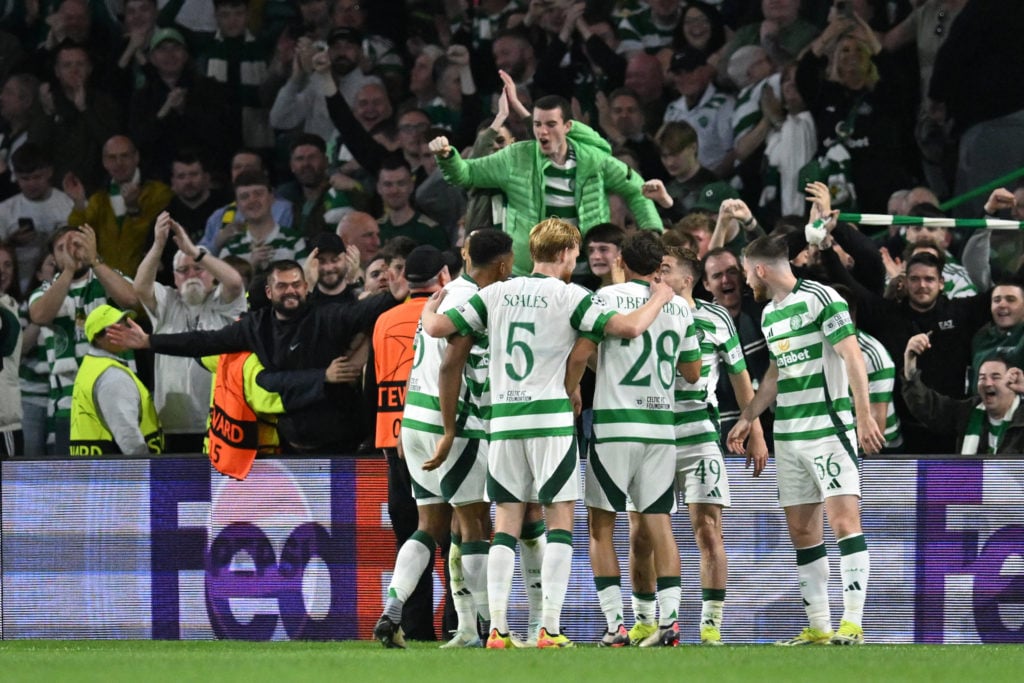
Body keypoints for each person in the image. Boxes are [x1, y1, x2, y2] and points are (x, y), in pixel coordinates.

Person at [419, 218, 675, 649]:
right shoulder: (571, 296)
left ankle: (497, 630)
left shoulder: (495, 294)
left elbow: (437, 330)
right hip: (551, 418)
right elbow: (630, 328)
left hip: (503, 421)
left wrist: (430, 307)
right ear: (566, 253)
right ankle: (548, 628)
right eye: (575, 253)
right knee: (559, 521)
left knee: (505, 524)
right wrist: (662, 297)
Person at [727, 234, 884, 646]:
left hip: (829, 431)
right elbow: (776, 374)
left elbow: (852, 354)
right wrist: (748, 417)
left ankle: (852, 622)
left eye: (746, 271)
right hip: (790, 437)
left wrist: (863, 415)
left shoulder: (821, 297)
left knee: (845, 522)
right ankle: (819, 626)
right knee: (802, 532)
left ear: (760, 268)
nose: (746, 281)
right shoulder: (769, 315)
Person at [106, 259, 410, 454]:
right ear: (269, 291)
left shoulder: (328, 317)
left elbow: (363, 312)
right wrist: (149, 341)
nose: (290, 291)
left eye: (296, 285)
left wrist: (392, 297)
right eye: (282, 286)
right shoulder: (255, 326)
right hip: (290, 444)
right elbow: (203, 341)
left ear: (306, 287)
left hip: (340, 441)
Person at [565, 231, 702, 648]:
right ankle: (672, 622)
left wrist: (575, 388)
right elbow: (692, 373)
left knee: (600, 526)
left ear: (622, 259)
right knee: (660, 523)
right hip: (661, 427)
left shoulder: (604, 299)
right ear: (660, 264)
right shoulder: (680, 308)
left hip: (614, 426)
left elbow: (579, 354)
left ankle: (615, 626)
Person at [630, 245, 768, 646]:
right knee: (641, 532)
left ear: (687, 280)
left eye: (665, 270)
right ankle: (643, 620)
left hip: (698, 436)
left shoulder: (717, 319)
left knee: (708, 531)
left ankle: (710, 627)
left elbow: (741, 378)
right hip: (650, 434)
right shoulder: (643, 310)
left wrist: (755, 430)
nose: (657, 276)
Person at [429, 94, 663, 276]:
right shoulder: (516, 156)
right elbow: (466, 174)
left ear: (568, 126)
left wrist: (652, 232)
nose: (542, 131)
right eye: (537, 124)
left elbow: (637, 190)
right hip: (529, 271)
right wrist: (447, 156)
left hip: (586, 270)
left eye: (551, 124)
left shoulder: (594, 160)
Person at [371, 245, 457, 646]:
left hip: (397, 438)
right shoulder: (452, 314)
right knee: (462, 530)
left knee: (414, 532)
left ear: (405, 277)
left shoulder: (383, 321)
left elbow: (376, 382)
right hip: (444, 430)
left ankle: (412, 624)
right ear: (443, 274)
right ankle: (461, 624)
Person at [133, 211, 246, 453]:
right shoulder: (167, 302)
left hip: (220, 421)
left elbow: (235, 282)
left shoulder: (225, 302)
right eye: (183, 271)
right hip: (172, 423)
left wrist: (195, 251)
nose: (191, 275)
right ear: (174, 278)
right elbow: (140, 287)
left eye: (199, 268)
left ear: (213, 275)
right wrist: (158, 245)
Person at [28, 225, 139, 454]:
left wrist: (95, 261)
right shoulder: (46, 290)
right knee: (73, 487)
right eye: (62, 248)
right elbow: (40, 315)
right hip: (70, 409)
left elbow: (131, 299)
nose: (71, 250)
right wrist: (68, 272)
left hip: (119, 404)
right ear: (54, 258)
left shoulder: (108, 279)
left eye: (77, 243)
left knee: (125, 485)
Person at [64, 135, 173, 277]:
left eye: (125, 156)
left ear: (136, 157)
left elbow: (153, 239)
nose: (119, 163)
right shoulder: (99, 199)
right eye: (112, 158)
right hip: (107, 283)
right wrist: (79, 202)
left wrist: (134, 209)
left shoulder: (159, 192)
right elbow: (79, 238)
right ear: (104, 162)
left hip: (146, 281)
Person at [69, 305, 163, 456]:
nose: (127, 330)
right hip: (119, 471)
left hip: (94, 470)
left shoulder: (91, 366)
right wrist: (146, 468)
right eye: (118, 327)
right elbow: (128, 435)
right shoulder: (112, 376)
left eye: (125, 324)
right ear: (99, 337)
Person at [903, 342, 1024, 455]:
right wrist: (910, 365)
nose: (987, 383)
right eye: (982, 378)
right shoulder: (968, 410)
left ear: (1013, 383)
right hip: (970, 477)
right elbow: (928, 406)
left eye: (996, 377)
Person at [0, 143, 74, 292]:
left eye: (37, 177)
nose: (31, 184)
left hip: (61, 284)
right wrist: (11, 243)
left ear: (49, 172)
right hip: (14, 286)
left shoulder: (69, 204)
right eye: (25, 179)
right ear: (16, 176)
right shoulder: (5, 210)